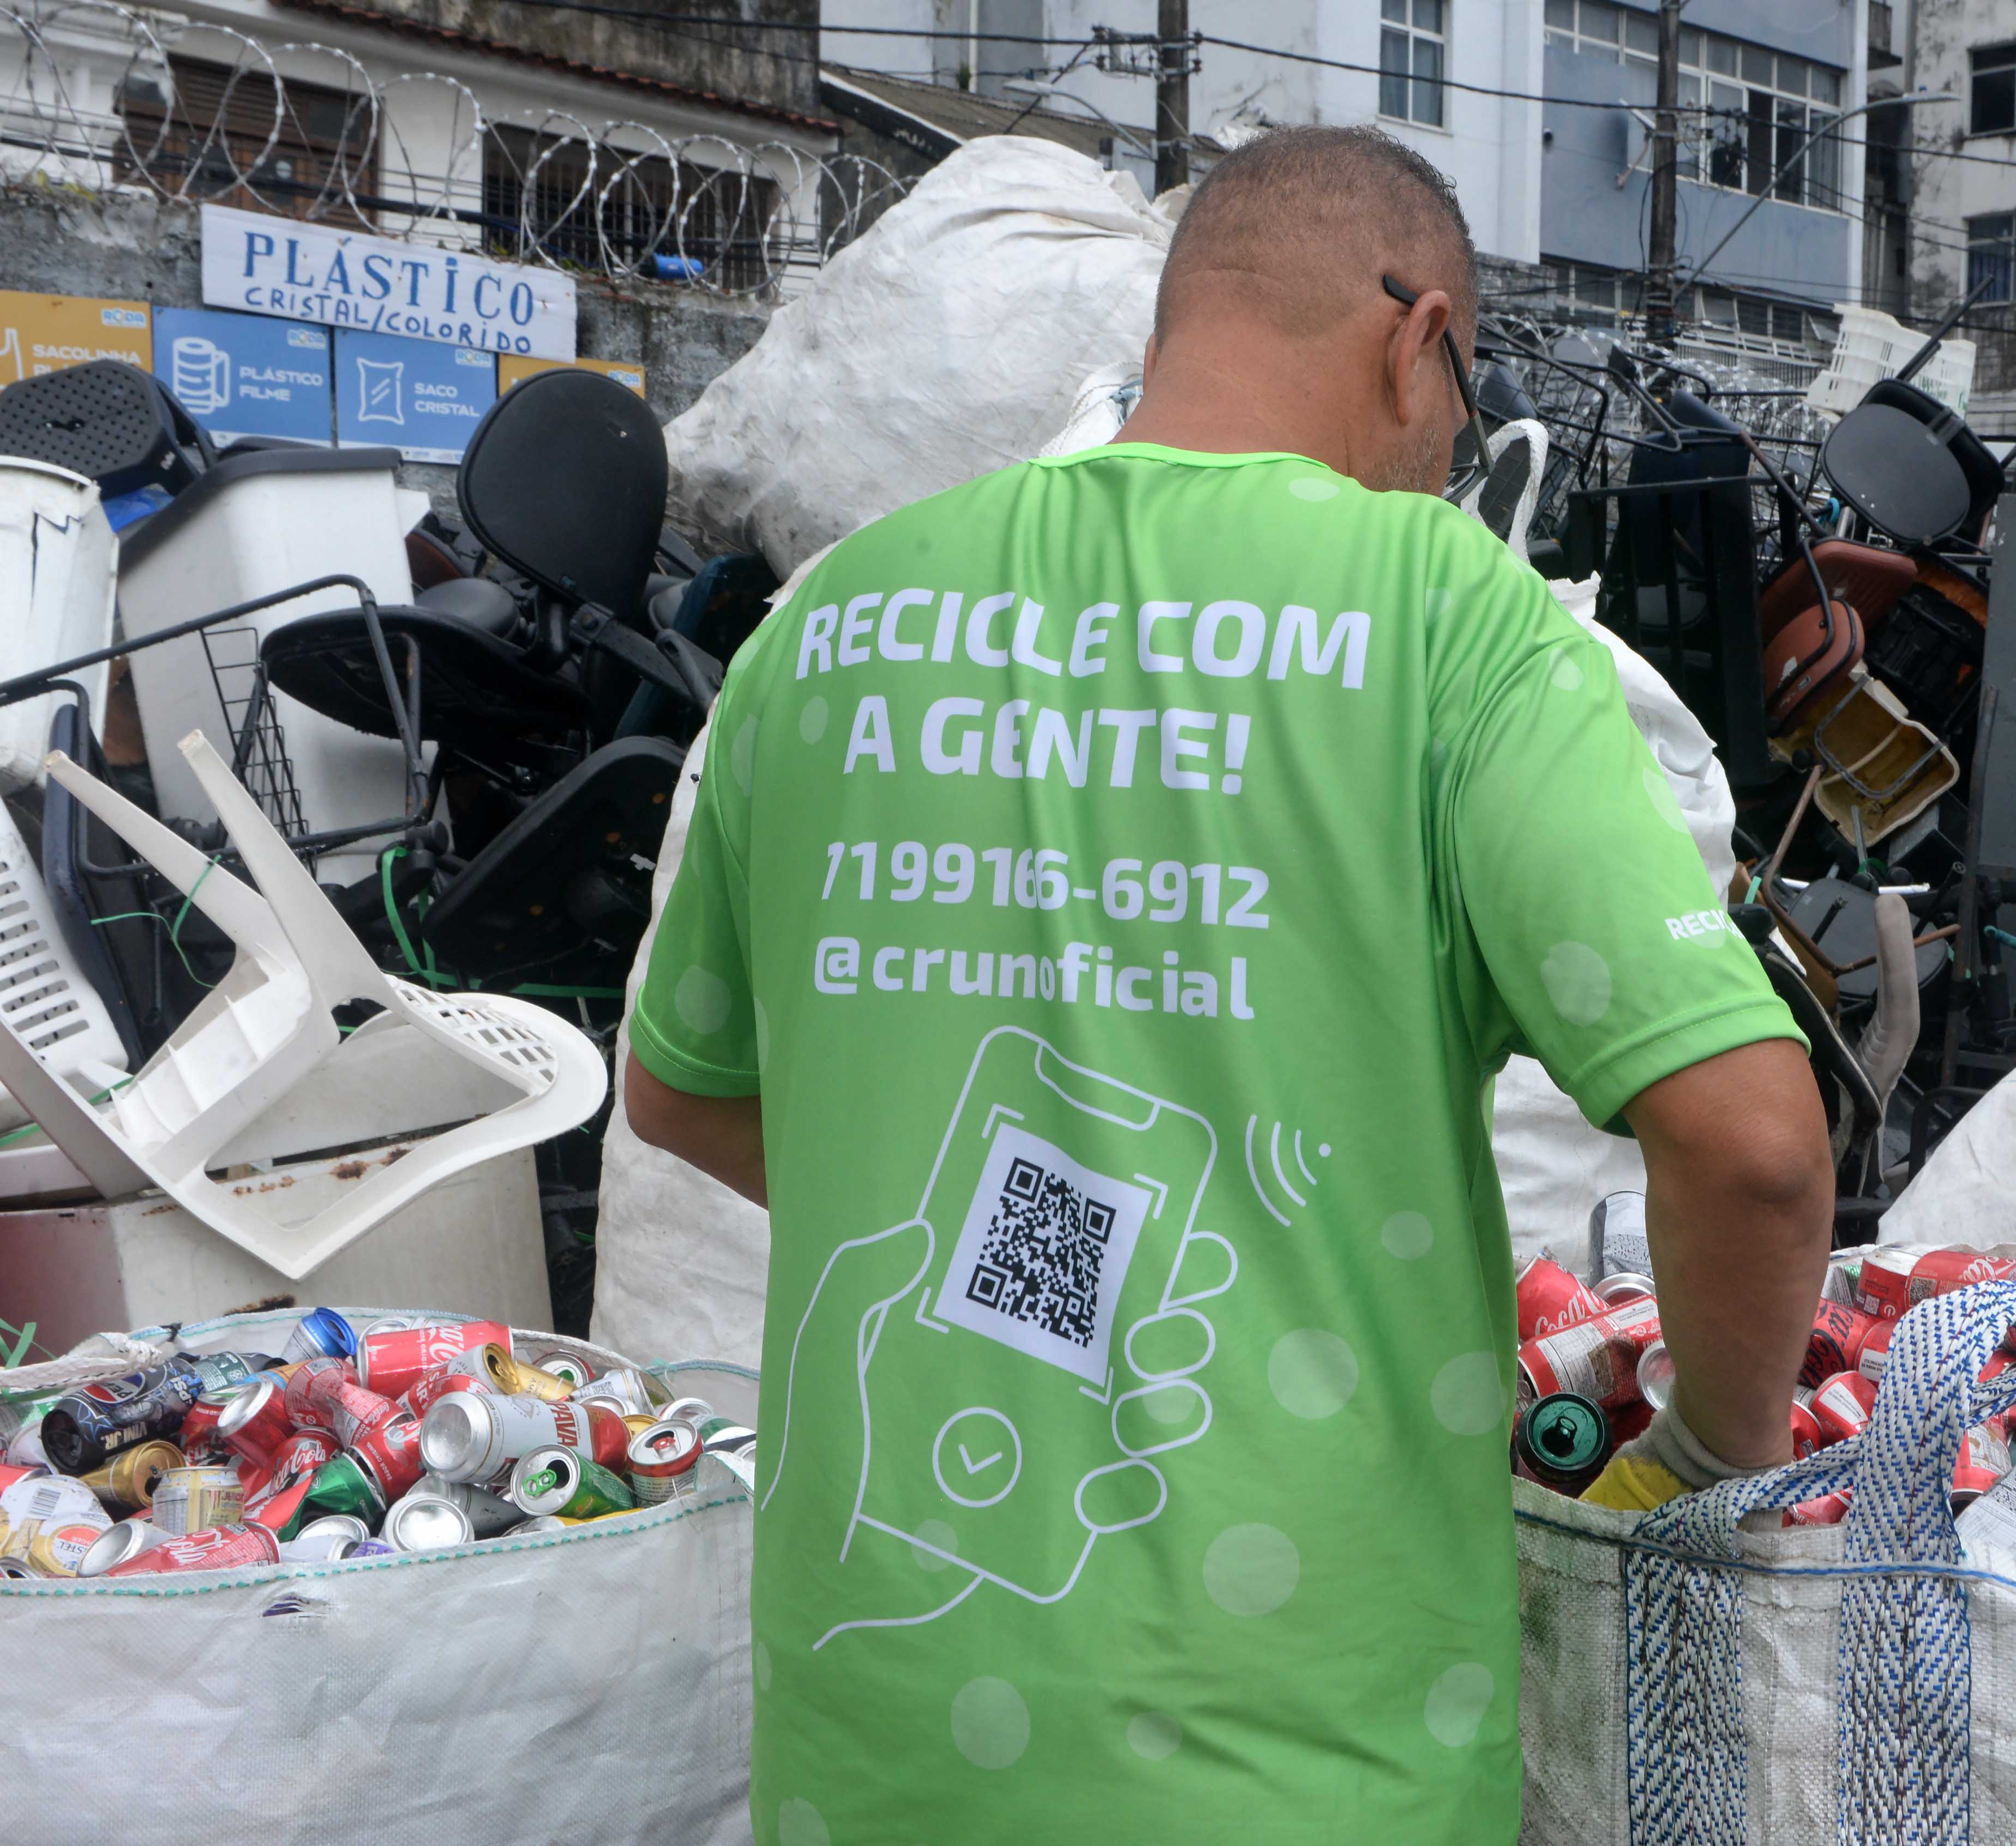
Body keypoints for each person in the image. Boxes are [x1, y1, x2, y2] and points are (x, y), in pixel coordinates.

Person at [624, 124, 1830, 1845]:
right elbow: (1757, 1147)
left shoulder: (830, 625)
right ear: (1419, 347)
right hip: (1306, 1758)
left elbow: (679, 1089)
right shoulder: (1453, 623)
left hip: (874, 1725)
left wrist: (1019, 1258)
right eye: (1463, 410)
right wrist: (1711, 1455)